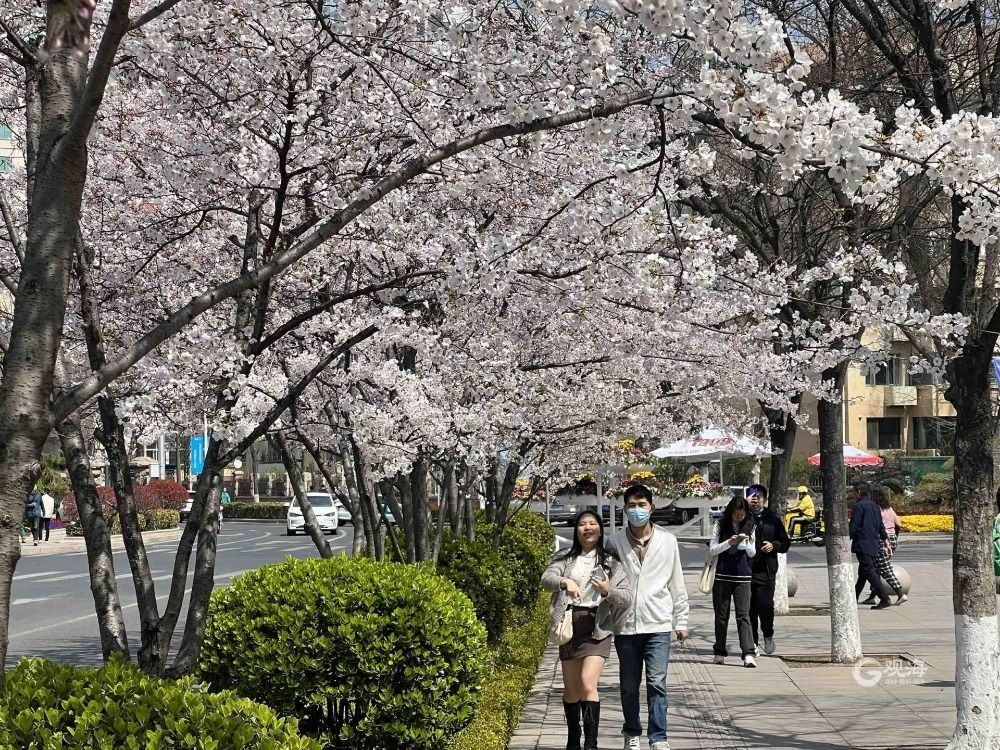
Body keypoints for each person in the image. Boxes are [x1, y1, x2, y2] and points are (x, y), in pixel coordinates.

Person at [608, 484, 689, 750]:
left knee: (657, 683)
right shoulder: (615, 542)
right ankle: (632, 732)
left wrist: (682, 620)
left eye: (641, 505)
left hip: (658, 624)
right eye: (631, 505)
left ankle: (659, 737)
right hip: (626, 625)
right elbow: (608, 583)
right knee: (629, 686)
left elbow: (677, 582)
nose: (636, 510)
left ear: (652, 508)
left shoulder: (668, 541)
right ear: (624, 509)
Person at [542, 510, 632, 750]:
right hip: (570, 625)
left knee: (587, 683)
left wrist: (607, 590)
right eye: (582, 524)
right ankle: (574, 737)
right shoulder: (564, 557)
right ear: (576, 530)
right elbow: (546, 579)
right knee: (571, 691)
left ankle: (591, 742)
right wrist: (564, 582)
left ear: (600, 529)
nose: (587, 527)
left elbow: (626, 598)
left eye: (593, 523)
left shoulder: (611, 562)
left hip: (597, 628)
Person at [709, 495, 758, 667]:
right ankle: (719, 652)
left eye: (742, 514)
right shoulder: (720, 525)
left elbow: (752, 553)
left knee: (743, 616)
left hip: (743, 577)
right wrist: (729, 542)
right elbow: (713, 549)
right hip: (722, 576)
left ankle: (748, 653)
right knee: (721, 616)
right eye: (736, 514)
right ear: (730, 512)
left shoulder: (751, 525)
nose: (739, 517)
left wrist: (748, 542)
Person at [746, 484, 789, 656]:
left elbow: (785, 543)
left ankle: (768, 634)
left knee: (765, 606)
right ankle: (753, 643)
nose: (755, 500)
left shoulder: (772, 519)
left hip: (766, 570)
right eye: (751, 496)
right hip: (746, 570)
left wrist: (774, 545)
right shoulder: (742, 517)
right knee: (749, 609)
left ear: (764, 499)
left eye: (758, 497)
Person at [861, 488, 908, 605]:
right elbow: (899, 524)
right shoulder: (889, 509)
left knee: (884, 568)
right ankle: (873, 595)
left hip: (882, 539)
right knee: (876, 568)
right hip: (892, 538)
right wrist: (894, 536)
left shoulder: (875, 510)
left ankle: (900, 593)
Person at [849, 481, 891, 609]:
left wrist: (846, 540)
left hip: (863, 543)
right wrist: (885, 540)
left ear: (859, 492)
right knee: (863, 572)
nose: (854, 494)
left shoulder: (859, 506)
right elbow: (880, 525)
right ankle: (853, 597)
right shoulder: (875, 506)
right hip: (874, 543)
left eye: (854, 491)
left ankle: (884, 598)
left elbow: (854, 525)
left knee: (869, 571)